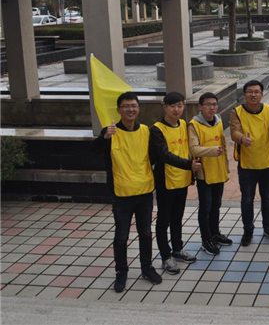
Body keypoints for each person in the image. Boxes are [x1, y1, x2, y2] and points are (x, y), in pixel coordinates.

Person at [92, 91, 162, 292]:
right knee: (121, 236)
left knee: (145, 233)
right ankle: (121, 271)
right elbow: (93, 151)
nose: (130, 109)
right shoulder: (111, 131)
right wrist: (105, 137)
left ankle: (147, 268)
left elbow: (156, 155)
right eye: (126, 106)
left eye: (134, 106)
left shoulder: (146, 131)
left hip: (145, 191)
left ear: (138, 108)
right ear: (118, 110)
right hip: (122, 193)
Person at [150, 92, 201, 275]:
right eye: (172, 106)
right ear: (164, 107)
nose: (176, 109)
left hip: (182, 180)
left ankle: (177, 249)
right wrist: (189, 165)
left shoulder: (184, 125)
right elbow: (164, 155)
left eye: (180, 105)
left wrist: (191, 174)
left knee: (177, 217)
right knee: (163, 219)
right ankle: (165, 256)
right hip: (166, 182)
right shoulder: (156, 130)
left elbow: (187, 150)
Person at [229, 80, 269, 246]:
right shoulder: (237, 112)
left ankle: (268, 228)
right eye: (250, 92)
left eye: (257, 92)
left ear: (262, 94)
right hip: (247, 166)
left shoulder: (268, 110)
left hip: (268, 163)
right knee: (247, 199)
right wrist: (242, 139)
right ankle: (248, 230)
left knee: (268, 198)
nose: (253, 95)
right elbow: (234, 132)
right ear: (244, 95)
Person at [188, 92, 231, 255]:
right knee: (205, 207)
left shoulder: (218, 121)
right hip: (204, 174)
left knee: (216, 205)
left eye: (214, 104)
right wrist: (212, 150)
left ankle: (215, 233)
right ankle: (206, 240)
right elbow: (193, 149)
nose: (212, 107)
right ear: (200, 107)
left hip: (218, 170)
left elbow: (223, 145)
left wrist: (226, 166)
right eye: (208, 104)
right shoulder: (194, 125)